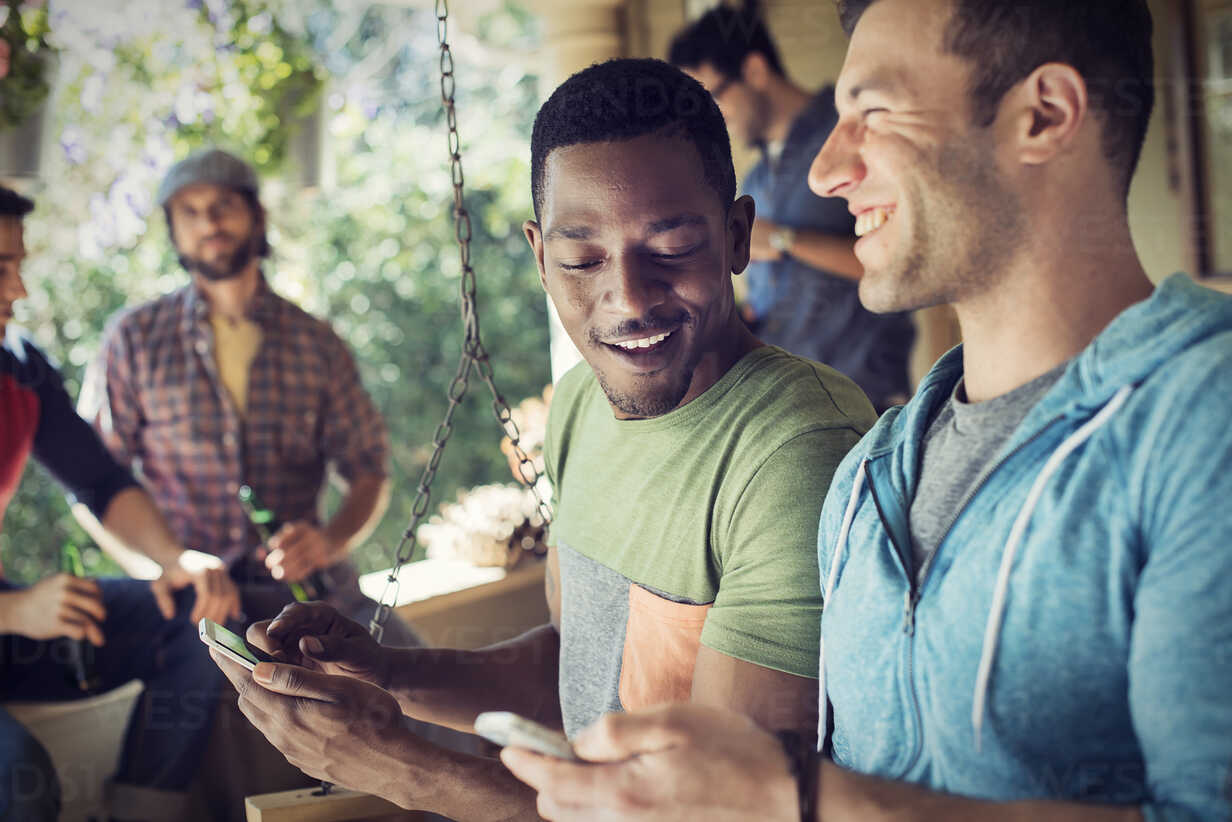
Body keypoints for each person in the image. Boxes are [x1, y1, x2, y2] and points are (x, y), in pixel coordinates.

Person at [499, 1, 1232, 821]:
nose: (825, 170)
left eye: (872, 113)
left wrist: (796, 798)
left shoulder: (1205, 424)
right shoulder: (868, 477)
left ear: (1042, 115)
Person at [208, 58, 876, 819]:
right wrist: (383, 672)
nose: (627, 298)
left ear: (734, 236)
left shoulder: (794, 453)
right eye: (582, 259)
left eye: (670, 248)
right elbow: (579, 673)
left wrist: (402, 769)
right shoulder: (583, 407)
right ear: (538, 256)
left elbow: (717, 813)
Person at [77, 149, 418, 645]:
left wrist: (329, 541)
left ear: (257, 216)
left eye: (223, 205)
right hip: (197, 606)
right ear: (173, 232)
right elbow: (93, 483)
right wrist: (160, 564)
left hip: (313, 598)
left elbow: (369, 469)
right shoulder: (132, 341)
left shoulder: (316, 342)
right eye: (189, 212)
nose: (208, 222)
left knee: (421, 692)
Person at [0, 186, 224, 821]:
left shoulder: (19, 368)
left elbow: (98, 482)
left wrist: (175, 558)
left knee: (198, 621)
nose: (18, 291)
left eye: (18, 266)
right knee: (19, 778)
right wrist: (15, 608)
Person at [669, 2, 914, 411]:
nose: (709, 119)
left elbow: (903, 260)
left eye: (713, 98)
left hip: (863, 399)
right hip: (793, 403)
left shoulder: (848, 135)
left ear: (755, 71)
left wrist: (786, 239)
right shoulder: (756, 181)